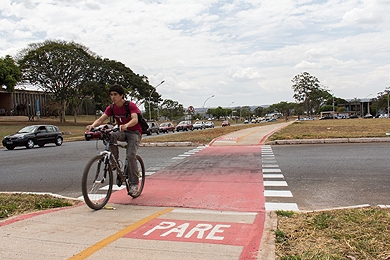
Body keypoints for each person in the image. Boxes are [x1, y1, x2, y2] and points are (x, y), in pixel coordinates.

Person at [86, 84, 142, 195]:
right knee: (110, 135)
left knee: (131, 155)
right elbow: (102, 119)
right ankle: (114, 161)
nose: (113, 97)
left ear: (122, 95)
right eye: (111, 95)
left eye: (115, 94)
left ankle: (134, 184)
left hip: (134, 132)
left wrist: (126, 125)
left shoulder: (130, 105)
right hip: (122, 131)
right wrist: (92, 126)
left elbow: (135, 119)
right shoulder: (111, 107)